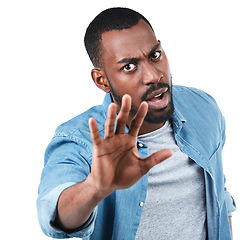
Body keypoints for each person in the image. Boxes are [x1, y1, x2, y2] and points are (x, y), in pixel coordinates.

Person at [37, 7, 236, 239]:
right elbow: (53, 215)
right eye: (129, 67)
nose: (153, 75)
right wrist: (95, 188)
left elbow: (219, 197)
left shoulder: (203, 107)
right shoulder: (79, 140)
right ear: (101, 80)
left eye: (155, 55)